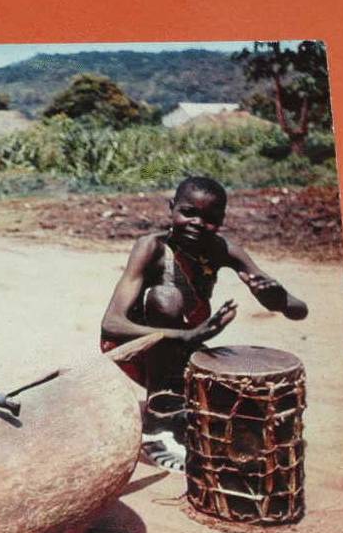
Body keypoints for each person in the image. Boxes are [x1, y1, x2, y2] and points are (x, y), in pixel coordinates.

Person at [100, 176, 308, 469]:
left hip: (186, 342)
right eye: (188, 212)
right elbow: (112, 324)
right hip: (136, 345)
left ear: (222, 220)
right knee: (166, 297)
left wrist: (276, 298)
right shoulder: (152, 248)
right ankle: (158, 424)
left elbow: (299, 311)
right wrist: (186, 337)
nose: (197, 223)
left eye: (209, 218)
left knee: (247, 409)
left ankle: (178, 408)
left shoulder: (223, 250)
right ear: (171, 209)